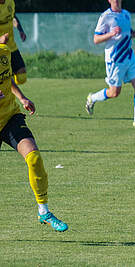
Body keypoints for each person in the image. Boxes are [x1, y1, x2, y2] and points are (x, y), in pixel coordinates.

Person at [0, 34, 68, 232]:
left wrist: (21, 97)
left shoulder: (4, 51)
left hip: (10, 117)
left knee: (34, 158)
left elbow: (7, 77)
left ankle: (44, 211)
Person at [85, 0, 135, 128]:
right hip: (115, 59)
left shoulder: (126, 14)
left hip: (129, 56)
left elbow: (127, 35)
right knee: (114, 93)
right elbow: (96, 39)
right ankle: (92, 98)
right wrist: (111, 34)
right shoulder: (105, 16)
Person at [0, 0, 28, 85]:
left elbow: (13, 17)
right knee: (5, 77)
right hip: (1, 49)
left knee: (22, 77)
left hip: (12, 47)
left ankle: (10, 87)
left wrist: (20, 30)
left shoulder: (10, 2)